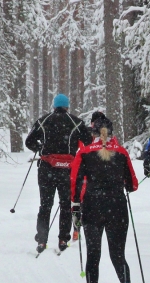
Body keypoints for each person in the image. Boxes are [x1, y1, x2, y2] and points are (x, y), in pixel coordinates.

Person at [71, 113, 139, 283]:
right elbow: (133, 185)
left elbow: (75, 182)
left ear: (93, 133)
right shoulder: (121, 152)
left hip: (92, 206)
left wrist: (75, 206)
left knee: (94, 254)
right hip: (117, 206)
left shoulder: (84, 152)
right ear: (111, 133)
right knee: (118, 253)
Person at [25, 94, 93, 254]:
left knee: (45, 205)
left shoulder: (43, 121)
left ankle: (42, 240)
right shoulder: (76, 122)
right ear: (67, 106)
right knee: (65, 205)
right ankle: (63, 239)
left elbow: (29, 142)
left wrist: (40, 148)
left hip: (46, 169)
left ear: (54, 106)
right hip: (67, 170)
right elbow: (88, 142)